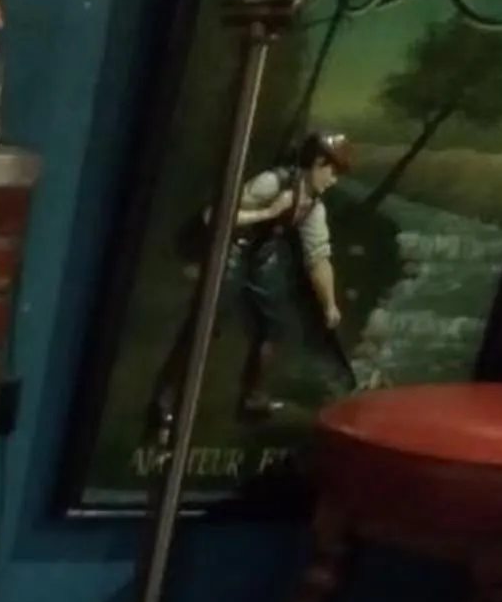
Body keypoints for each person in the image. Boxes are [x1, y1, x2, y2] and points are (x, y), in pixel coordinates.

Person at [147, 128, 355, 444]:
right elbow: (216, 214)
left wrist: (329, 304)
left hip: (261, 255)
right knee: (206, 325)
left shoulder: (314, 206)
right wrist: (268, 212)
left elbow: (318, 257)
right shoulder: (272, 183)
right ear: (316, 161)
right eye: (332, 169)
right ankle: (165, 405)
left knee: (274, 326)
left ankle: (253, 399)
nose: (333, 179)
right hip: (231, 247)